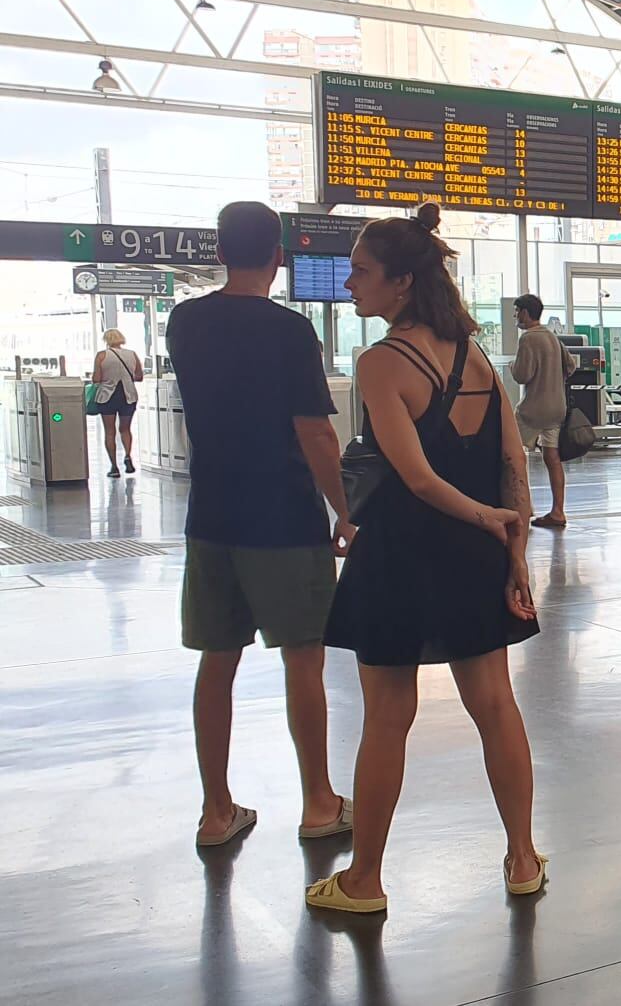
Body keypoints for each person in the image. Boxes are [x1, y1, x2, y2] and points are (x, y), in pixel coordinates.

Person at [307, 204, 543, 915]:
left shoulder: (380, 363)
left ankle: (365, 880)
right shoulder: (476, 358)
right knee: (496, 705)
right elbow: (511, 459)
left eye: (361, 272)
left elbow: (413, 477)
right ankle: (523, 858)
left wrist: (489, 520)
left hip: (400, 556)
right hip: (474, 556)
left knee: (387, 715)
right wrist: (512, 544)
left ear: (401, 283)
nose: (349, 284)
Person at [166, 201, 350, 850]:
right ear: (280, 256)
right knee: (303, 660)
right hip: (284, 517)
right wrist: (346, 511)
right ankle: (320, 804)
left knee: (217, 662)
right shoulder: (290, 332)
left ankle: (217, 813)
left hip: (211, 515)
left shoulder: (183, 322)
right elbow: (316, 433)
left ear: (219, 252)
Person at [509, 293, 579, 529]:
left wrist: (511, 366)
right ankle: (558, 511)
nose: (515, 317)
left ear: (526, 313)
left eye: (517, 312)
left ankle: (523, 507)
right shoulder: (552, 336)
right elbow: (571, 365)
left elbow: (522, 375)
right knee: (552, 458)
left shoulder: (528, 338)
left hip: (533, 409)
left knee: (513, 454)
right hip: (556, 408)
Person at [92, 328, 142, 477]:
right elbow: (139, 376)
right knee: (125, 429)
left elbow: (97, 379)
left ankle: (114, 467)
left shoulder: (102, 356)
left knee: (109, 432)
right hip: (128, 396)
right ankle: (127, 455)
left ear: (106, 340)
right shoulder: (132, 354)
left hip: (108, 397)